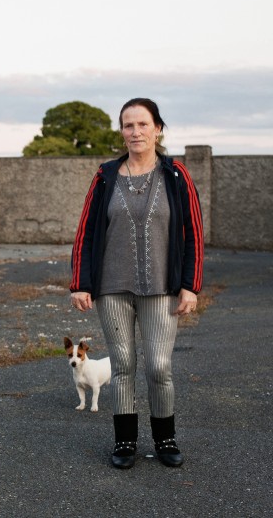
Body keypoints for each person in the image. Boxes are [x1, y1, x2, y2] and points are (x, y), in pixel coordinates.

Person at [69, 98, 203, 469]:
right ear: (122, 132)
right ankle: (125, 442)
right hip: (112, 287)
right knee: (123, 364)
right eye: (128, 125)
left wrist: (190, 284)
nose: (136, 131)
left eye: (143, 124)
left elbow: (193, 230)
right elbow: (87, 230)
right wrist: (81, 282)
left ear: (158, 128)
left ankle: (166, 439)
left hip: (162, 288)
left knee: (159, 366)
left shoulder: (176, 175)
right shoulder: (105, 175)